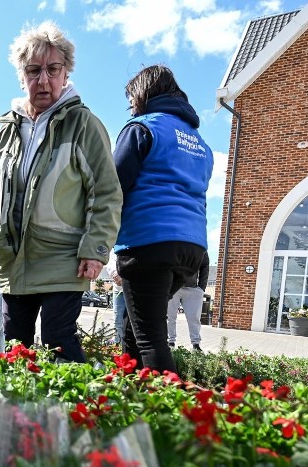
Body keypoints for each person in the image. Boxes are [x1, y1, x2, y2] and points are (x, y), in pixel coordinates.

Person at [0, 21, 123, 363]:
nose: (43, 80)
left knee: (58, 341)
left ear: (66, 72)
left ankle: (76, 414)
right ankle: (20, 415)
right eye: (33, 70)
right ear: (21, 76)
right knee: (16, 348)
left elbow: (106, 193)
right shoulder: (3, 134)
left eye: (53, 69)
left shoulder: (84, 125)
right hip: (14, 260)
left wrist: (96, 249)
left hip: (64, 258)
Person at [113, 64, 213, 373]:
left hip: (148, 241)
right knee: (135, 328)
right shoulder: (200, 143)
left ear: (144, 94)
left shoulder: (142, 128)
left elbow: (113, 186)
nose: (130, 105)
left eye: (132, 98)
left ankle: (167, 415)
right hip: (191, 248)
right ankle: (126, 400)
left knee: (150, 339)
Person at [167, 252, 209, 351]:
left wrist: (201, 287)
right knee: (170, 317)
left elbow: (205, 265)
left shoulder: (200, 247)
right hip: (173, 287)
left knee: (194, 318)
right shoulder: (175, 243)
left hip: (193, 288)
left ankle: (196, 344)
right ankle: (170, 342)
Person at [104, 252, 126, 347]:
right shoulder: (114, 244)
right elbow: (110, 259)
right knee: (117, 317)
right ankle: (118, 341)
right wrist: (115, 273)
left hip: (134, 286)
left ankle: (128, 344)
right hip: (118, 288)